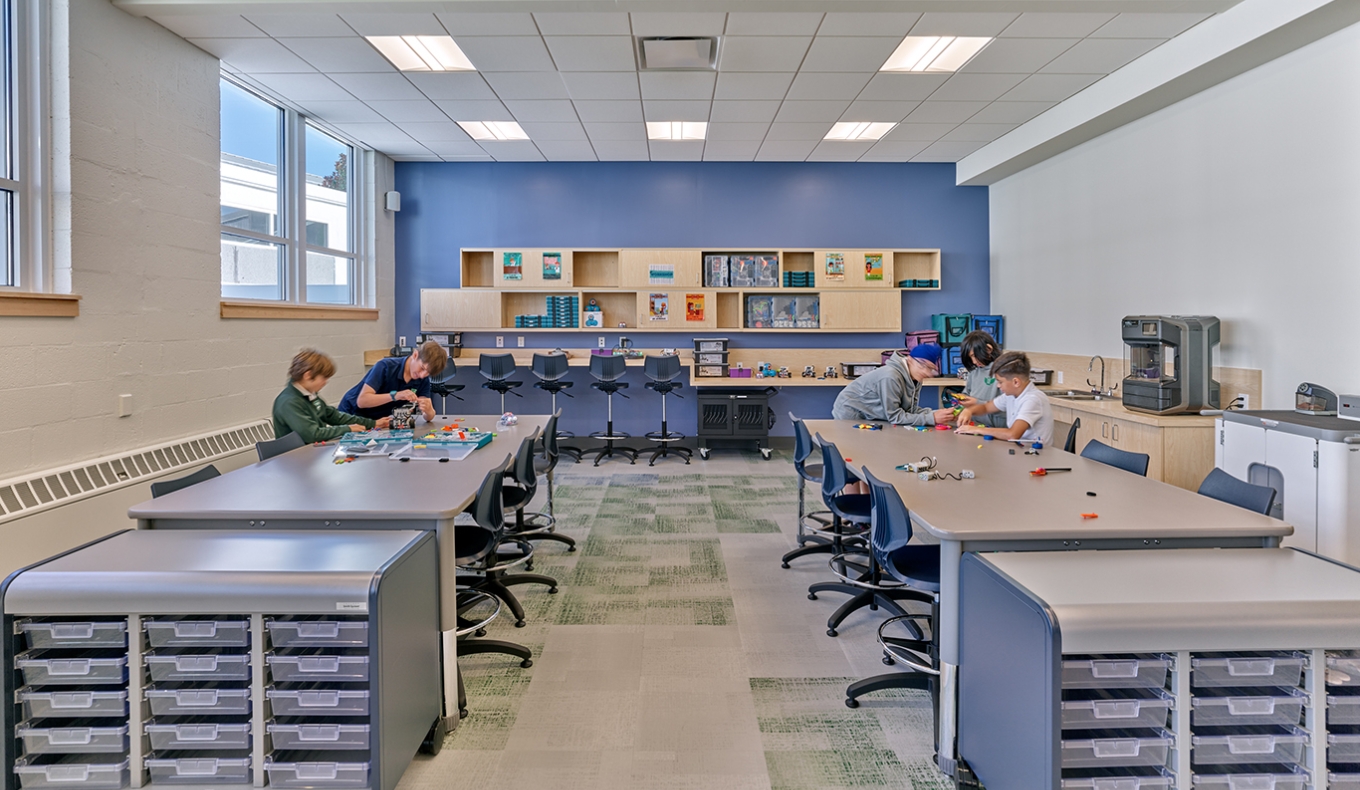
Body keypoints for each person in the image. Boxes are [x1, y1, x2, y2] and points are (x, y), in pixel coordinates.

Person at [273, 349, 389, 443]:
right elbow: (312, 434)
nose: (326, 382)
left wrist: (372, 423)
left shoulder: (310, 394)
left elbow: (334, 416)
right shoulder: (289, 402)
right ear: (308, 375)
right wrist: (348, 429)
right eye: (324, 378)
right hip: (296, 456)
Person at [831, 344, 955, 427]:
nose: (926, 372)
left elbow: (909, 410)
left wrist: (938, 413)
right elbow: (895, 417)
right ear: (910, 359)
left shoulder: (915, 376)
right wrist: (931, 418)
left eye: (930, 368)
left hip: (873, 413)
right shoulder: (891, 376)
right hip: (851, 412)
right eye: (922, 365)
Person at [956, 350, 1054, 447]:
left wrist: (976, 429)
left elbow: (1013, 434)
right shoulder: (1010, 395)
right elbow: (986, 407)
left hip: (1036, 454)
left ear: (1016, 382)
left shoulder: (1033, 399)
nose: (998, 386)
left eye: (1000, 382)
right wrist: (969, 411)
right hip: (1020, 450)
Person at [339, 340, 448, 422]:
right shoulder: (385, 367)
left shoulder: (422, 379)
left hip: (375, 420)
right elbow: (362, 401)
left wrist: (429, 411)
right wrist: (395, 395)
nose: (422, 375)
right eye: (422, 368)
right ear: (415, 355)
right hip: (351, 413)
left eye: (428, 373)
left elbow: (428, 415)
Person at [950, 331, 1007, 429]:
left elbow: (1009, 409)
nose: (974, 361)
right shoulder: (974, 373)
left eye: (974, 355)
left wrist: (977, 403)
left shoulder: (1004, 372)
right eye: (970, 357)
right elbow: (967, 395)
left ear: (988, 349)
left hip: (997, 430)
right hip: (975, 427)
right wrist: (960, 404)